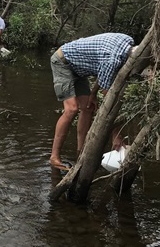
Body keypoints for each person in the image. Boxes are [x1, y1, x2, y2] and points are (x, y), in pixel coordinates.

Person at [49, 33, 137, 170]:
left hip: (80, 68)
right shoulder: (112, 60)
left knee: (88, 107)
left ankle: (81, 152)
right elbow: (110, 101)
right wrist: (116, 134)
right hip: (63, 62)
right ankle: (54, 157)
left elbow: (102, 72)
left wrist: (93, 94)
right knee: (71, 109)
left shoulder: (128, 41)